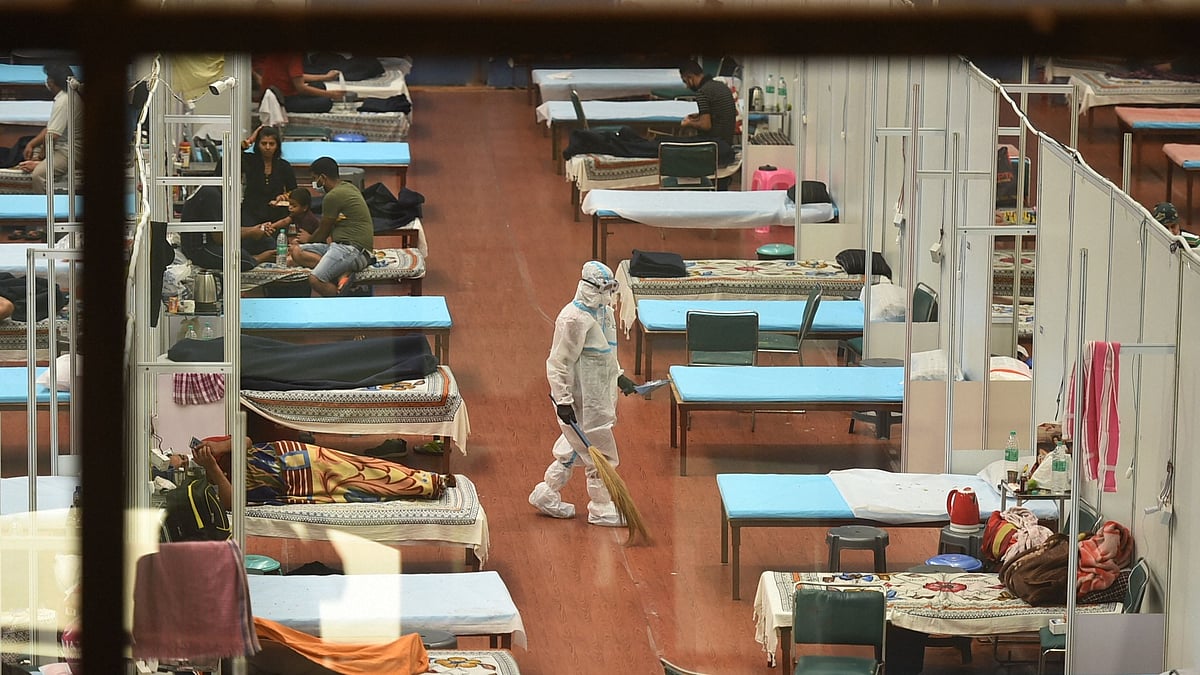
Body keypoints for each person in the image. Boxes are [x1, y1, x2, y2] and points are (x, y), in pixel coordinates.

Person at [529, 261, 639, 526]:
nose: (607, 294)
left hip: (599, 396)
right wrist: (563, 401)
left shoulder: (604, 312)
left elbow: (607, 353)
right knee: (601, 455)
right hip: (580, 402)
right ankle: (601, 507)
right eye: (603, 288)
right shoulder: (573, 319)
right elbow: (558, 363)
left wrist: (619, 376)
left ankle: (546, 493)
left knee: (573, 450)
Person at [177, 435, 455, 511]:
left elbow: (246, 441)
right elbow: (231, 502)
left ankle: (429, 480)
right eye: (176, 464)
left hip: (290, 454)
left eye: (176, 457)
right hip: (294, 483)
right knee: (358, 486)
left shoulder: (205, 448)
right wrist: (212, 470)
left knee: (359, 466)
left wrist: (221, 447)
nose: (179, 460)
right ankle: (425, 486)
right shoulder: (198, 490)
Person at [290, 156, 374, 296]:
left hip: (353, 250)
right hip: (343, 247)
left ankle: (341, 303)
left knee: (315, 279)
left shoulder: (332, 196)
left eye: (315, 178)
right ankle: (342, 273)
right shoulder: (348, 187)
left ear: (322, 178)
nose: (314, 183)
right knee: (296, 251)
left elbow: (323, 232)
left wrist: (308, 239)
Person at [16, 63, 83, 195]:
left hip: (72, 151)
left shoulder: (64, 101)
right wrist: (32, 144)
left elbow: (52, 136)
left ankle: (44, 212)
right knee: (25, 144)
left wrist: (41, 158)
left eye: (48, 78)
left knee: (38, 175)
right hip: (64, 146)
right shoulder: (66, 95)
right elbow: (50, 128)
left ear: (51, 81)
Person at [240, 125, 297, 231]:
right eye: (263, 143)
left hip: (276, 212)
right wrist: (248, 141)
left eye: (271, 144)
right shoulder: (250, 161)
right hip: (251, 211)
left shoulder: (284, 165)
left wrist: (284, 196)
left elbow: (294, 190)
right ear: (257, 145)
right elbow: (229, 157)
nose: (267, 147)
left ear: (277, 146)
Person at [252, 50, 344, 114]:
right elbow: (301, 88)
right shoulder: (292, 55)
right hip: (280, 101)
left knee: (319, 85)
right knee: (326, 103)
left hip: (281, 94)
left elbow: (296, 76)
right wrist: (330, 94)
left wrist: (326, 77)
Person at [678, 59, 737, 143]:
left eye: (685, 81)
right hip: (726, 142)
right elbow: (718, 115)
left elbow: (705, 125)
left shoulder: (702, 92)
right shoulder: (721, 86)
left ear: (690, 77)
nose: (687, 86)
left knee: (661, 141)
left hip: (713, 144)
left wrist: (689, 123)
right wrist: (699, 116)